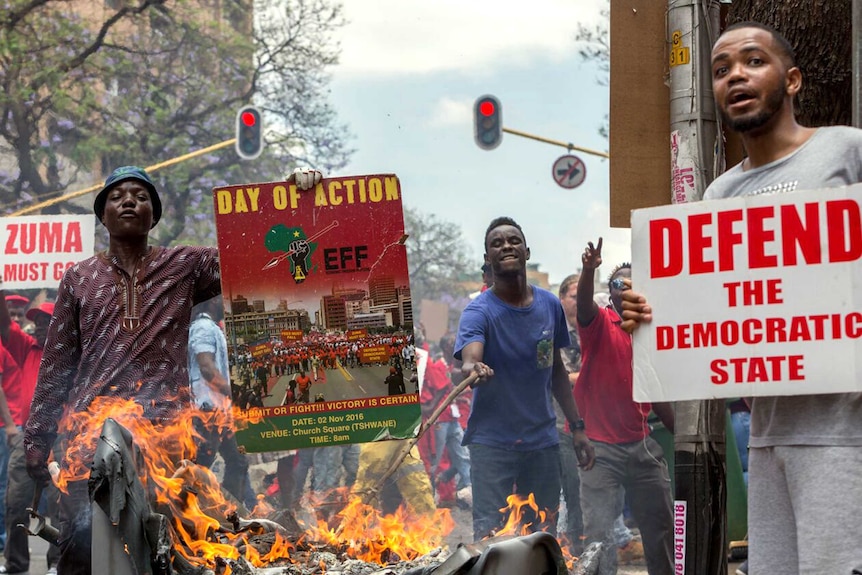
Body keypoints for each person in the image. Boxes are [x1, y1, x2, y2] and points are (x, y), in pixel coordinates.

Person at [619, 21, 862, 575]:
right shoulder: (720, 193)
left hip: (845, 433)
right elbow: (711, 307)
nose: (736, 76)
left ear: (792, 79)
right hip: (770, 436)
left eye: (753, 61)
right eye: (721, 69)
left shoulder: (847, 150)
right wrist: (651, 313)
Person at [22, 165, 322, 575]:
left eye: (141, 196)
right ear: (102, 213)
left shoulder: (184, 265)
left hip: (164, 442)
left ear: (154, 215)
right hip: (90, 442)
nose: (130, 201)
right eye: (118, 195)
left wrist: (296, 200)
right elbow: (56, 365)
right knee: (81, 548)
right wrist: (37, 440)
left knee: (163, 553)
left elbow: (257, 256)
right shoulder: (79, 278)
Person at [455, 216, 595, 541]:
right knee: (491, 540)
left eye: (513, 240)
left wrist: (578, 429)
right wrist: (473, 367)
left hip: (542, 442)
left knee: (541, 538)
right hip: (492, 445)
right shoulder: (479, 312)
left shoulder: (549, 305)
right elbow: (470, 358)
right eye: (497, 243)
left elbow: (556, 371)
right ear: (488, 259)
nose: (506, 245)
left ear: (527, 251)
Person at [574, 245, 674, 575]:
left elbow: (657, 390)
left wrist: (681, 435)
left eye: (633, 283)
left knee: (661, 527)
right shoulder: (599, 324)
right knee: (599, 536)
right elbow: (584, 305)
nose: (626, 288)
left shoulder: (649, 331)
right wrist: (589, 270)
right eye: (618, 284)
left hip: (641, 445)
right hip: (600, 449)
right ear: (610, 293)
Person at [0, 292, 62, 575]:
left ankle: (57, 562)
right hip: (28, 438)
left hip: (60, 439)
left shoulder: (68, 356)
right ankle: (15, 564)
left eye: (45, 321)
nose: (38, 326)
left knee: (62, 505)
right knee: (15, 503)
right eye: (36, 321)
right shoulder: (27, 348)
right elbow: (4, 326)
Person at [188, 296, 257, 510]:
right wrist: (233, 393)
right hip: (207, 411)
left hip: (221, 411)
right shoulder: (201, 327)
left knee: (238, 462)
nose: (224, 303)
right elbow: (207, 368)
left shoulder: (213, 327)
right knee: (199, 469)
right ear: (210, 302)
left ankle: (229, 511)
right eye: (220, 298)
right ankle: (188, 513)